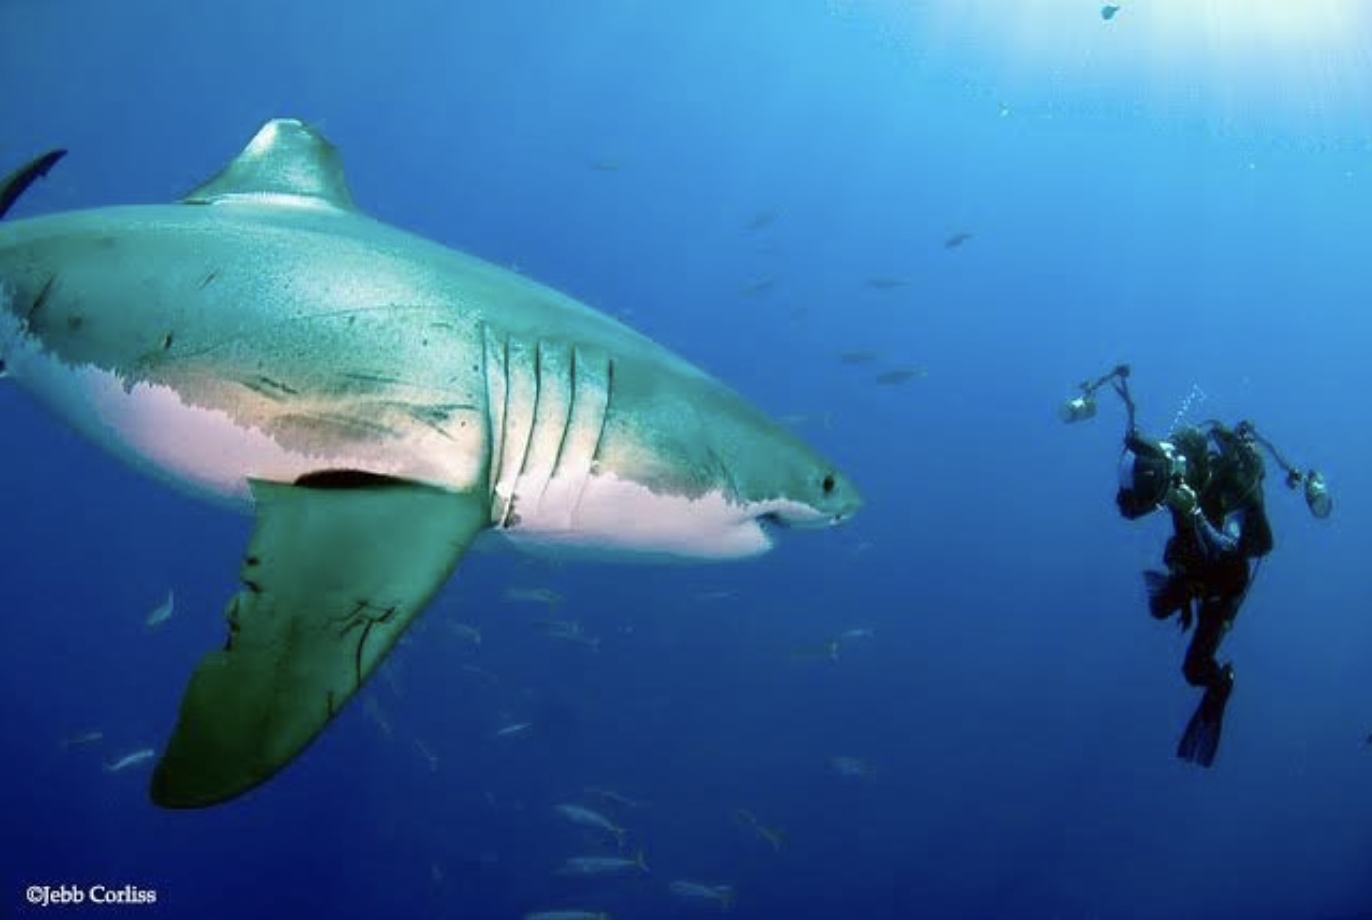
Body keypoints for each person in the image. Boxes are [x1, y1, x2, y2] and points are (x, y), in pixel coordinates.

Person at [1116, 420, 1273, 767]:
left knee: (1194, 669)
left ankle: (1222, 683)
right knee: (1159, 607)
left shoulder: (1231, 487)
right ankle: (1187, 586)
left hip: (1226, 582)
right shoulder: (1177, 477)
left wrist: (1196, 515)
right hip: (1195, 564)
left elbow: (1239, 545)